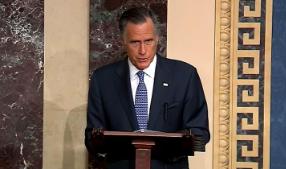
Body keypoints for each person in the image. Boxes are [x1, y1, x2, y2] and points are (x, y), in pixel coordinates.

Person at [85, 6, 210, 169]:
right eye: (135, 42)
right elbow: (91, 138)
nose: (143, 50)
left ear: (157, 38)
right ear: (123, 41)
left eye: (148, 41)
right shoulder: (103, 80)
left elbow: (200, 132)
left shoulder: (185, 76)